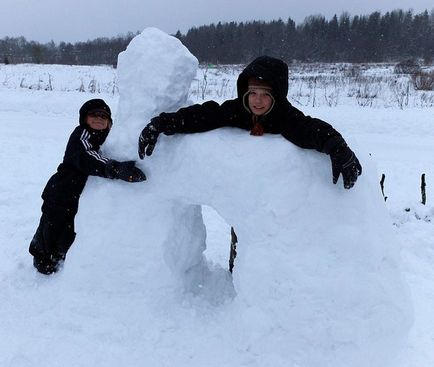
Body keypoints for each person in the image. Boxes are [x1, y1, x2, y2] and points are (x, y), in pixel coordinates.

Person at [137, 56, 362, 189]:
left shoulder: (283, 116)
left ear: (277, 96)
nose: (257, 100)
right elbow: (203, 116)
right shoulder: (238, 110)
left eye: (265, 95)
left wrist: (337, 147)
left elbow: (309, 129)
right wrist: (162, 124)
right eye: (253, 92)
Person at [29, 99, 146, 275]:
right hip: (63, 190)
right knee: (52, 225)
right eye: (94, 115)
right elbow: (88, 157)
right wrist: (116, 169)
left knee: (70, 228)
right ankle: (42, 257)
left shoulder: (107, 138)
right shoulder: (82, 134)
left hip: (78, 192)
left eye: (104, 116)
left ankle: (59, 255)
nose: (99, 118)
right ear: (84, 118)